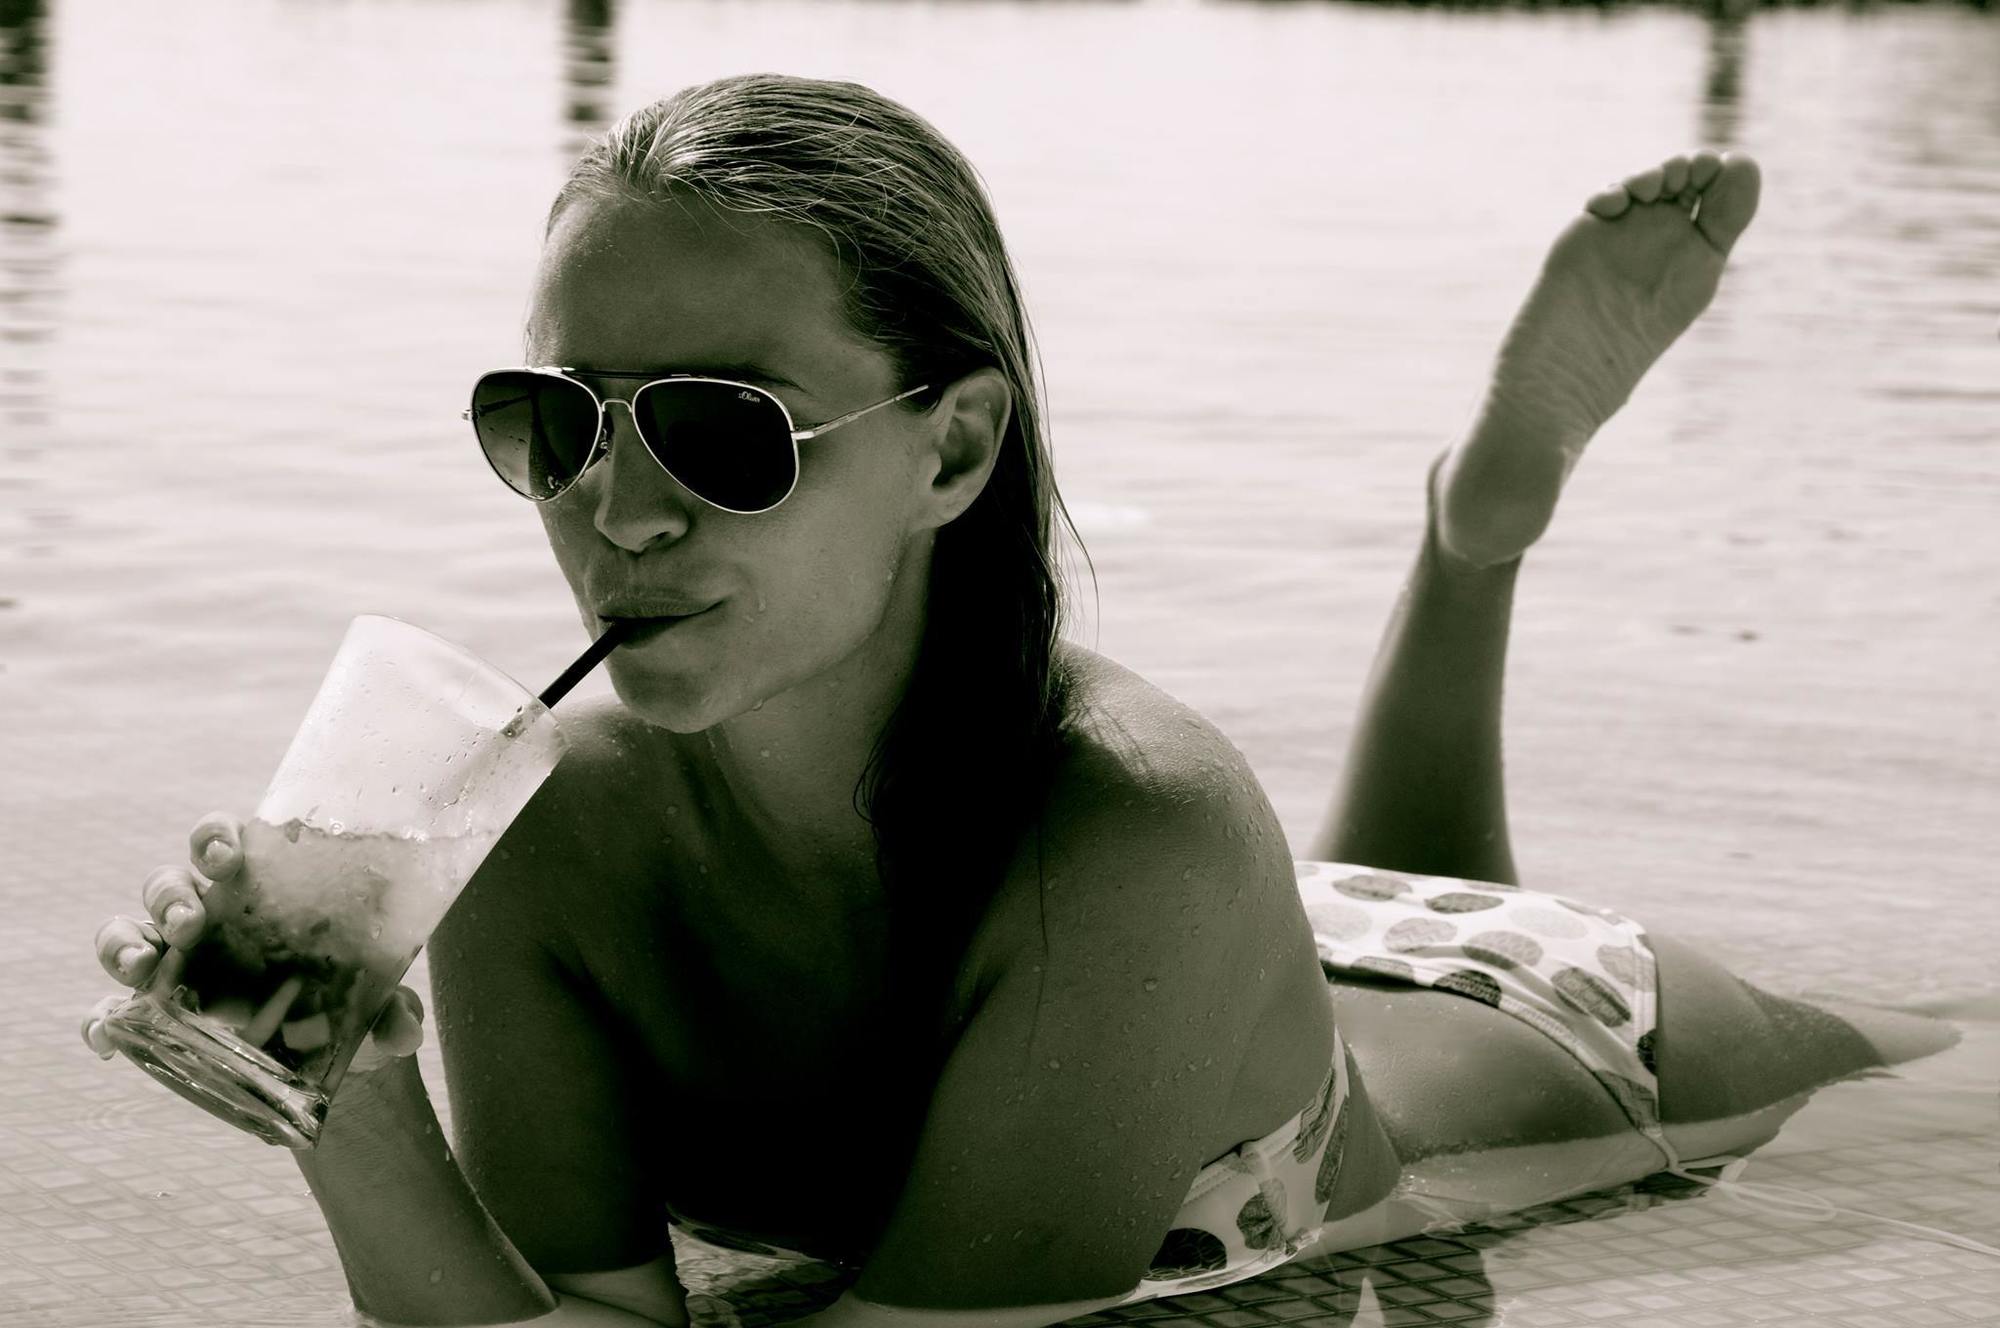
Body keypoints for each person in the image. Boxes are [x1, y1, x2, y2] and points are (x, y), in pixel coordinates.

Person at [83, 74, 1957, 1328]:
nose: (621, 512)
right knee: (1323, 923)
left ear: (956, 449)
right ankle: (1466, 542)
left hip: (1573, 1033)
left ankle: (1474, 543)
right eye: (558, 423)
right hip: (1233, 958)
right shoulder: (532, 822)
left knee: (1951, 1081)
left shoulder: (1130, 837)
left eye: (725, 432)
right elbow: (579, 1319)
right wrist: (343, 1100)